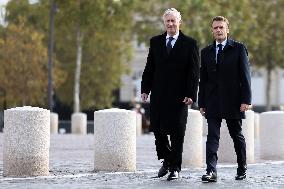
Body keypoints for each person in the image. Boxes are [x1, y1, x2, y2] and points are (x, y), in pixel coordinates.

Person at [141, 8, 199, 181]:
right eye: (168, 21)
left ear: (179, 22)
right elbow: (150, 67)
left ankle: (175, 168)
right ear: (164, 23)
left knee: (177, 133)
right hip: (159, 94)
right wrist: (145, 89)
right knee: (158, 130)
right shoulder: (156, 42)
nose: (171, 24)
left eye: (173, 21)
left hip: (180, 96)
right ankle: (167, 160)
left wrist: (191, 93)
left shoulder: (190, 43)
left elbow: (194, 71)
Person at [198, 16, 252, 182]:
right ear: (212, 30)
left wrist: (246, 100)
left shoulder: (238, 48)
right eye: (215, 28)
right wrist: (201, 102)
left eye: (221, 27)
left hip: (233, 100)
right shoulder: (206, 52)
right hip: (212, 100)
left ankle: (242, 167)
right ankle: (211, 171)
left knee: (237, 135)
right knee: (212, 137)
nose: (218, 30)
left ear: (227, 29)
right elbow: (204, 79)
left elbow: (245, 76)